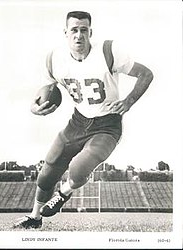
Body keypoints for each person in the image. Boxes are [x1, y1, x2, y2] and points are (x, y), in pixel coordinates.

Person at [14, 10, 153, 229]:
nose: (79, 35)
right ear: (66, 33)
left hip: (107, 125)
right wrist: (35, 106)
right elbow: (48, 87)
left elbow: (146, 74)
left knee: (79, 168)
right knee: (46, 172)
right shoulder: (54, 59)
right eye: (74, 30)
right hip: (78, 122)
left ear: (90, 32)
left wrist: (128, 102)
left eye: (83, 30)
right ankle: (35, 217)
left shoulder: (108, 51)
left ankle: (63, 194)